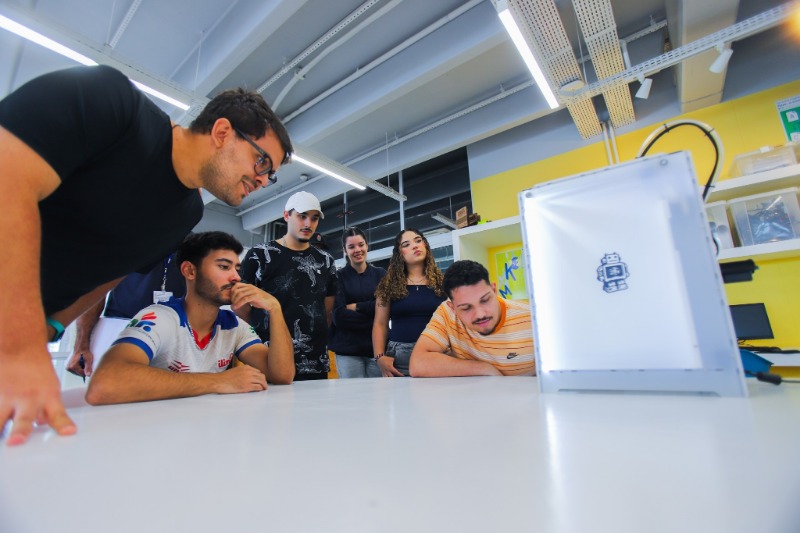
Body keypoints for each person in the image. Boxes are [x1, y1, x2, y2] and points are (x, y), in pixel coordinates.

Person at [0, 64, 292, 445]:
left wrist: (49, 328)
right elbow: (8, 177)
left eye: (271, 175)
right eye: (262, 162)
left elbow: (110, 273)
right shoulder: (114, 104)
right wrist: (20, 339)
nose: (263, 180)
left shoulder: (186, 214)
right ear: (222, 132)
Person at [85, 232, 294, 405]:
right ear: (190, 271)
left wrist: (274, 308)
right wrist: (217, 381)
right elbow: (104, 385)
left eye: (237, 269)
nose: (236, 278)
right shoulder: (159, 317)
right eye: (224, 267)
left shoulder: (234, 325)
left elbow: (282, 375)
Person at [239, 191, 337, 381]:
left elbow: (326, 310)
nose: (308, 223)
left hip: (314, 360)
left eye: (314, 218)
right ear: (286, 215)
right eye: (302, 216)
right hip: (268, 359)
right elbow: (240, 305)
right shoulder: (259, 255)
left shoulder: (326, 261)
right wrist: (260, 329)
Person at [65, 250, 187, 379]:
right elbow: (93, 293)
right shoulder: (125, 245)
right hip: (118, 335)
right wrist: (81, 346)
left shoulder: (192, 246)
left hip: (173, 342)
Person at [409, 260, 535, 377]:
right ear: (453, 308)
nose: (480, 314)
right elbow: (417, 363)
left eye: (485, 300)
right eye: (466, 308)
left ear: (494, 290)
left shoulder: (533, 317)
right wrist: (483, 369)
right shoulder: (447, 313)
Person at [372, 228, 446, 377]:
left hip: (436, 353)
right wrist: (379, 357)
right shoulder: (387, 285)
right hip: (399, 359)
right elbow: (380, 324)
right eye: (406, 244)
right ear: (399, 253)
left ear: (425, 245)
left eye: (418, 241)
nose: (415, 246)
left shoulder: (443, 283)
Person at [329, 227, 387, 378]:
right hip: (348, 352)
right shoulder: (337, 278)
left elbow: (387, 309)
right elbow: (339, 316)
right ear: (345, 250)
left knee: (379, 392)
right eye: (351, 247)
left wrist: (357, 306)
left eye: (361, 245)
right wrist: (374, 316)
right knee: (353, 393)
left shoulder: (380, 274)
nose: (357, 250)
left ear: (367, 245)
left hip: (376, 350)